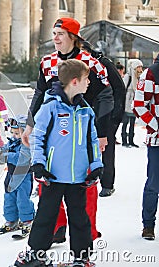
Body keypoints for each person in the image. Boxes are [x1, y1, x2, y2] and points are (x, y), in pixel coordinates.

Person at [21, 17, 113, 243]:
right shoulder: (47, 62)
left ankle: (86, 233)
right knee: (50, 182)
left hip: (82, 130)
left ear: (73, 37)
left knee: (84, 185)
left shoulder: (89, 62)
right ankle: (56, 228)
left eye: (60, 34)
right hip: (55, 132)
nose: (55, 38)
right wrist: (30, 125)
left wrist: (101, 132)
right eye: (54, 34)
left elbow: (106, 96)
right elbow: (40, 95)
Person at [13, 59, 103, 267]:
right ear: (74, 81)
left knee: (80, 218)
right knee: (46, 216)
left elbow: (92, 140)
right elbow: (38, 137)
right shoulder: (50, 106)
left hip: (78, 176)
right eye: (86, 79)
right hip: (52, 175)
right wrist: (39, 164)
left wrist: (96, 165)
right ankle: (35, 254)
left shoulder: (85, 110)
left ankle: (81, 257)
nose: (88, 82)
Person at [81, 41, 127, 198]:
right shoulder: (75, 66)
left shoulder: (103, 63)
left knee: (106, 147)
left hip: (106, 113)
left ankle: (107, 183)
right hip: (86, 113)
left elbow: (119, 88)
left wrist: (115, 113)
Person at [132, 53, 159, 240]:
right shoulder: (151, 73)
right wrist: (156, 126)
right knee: (154, 184)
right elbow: (139, 105)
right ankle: (148, 225)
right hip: (157, 140)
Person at [0, 115, 34, 235]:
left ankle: (27, 220)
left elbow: (22, 158)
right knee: (9, 198)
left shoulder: (27, 144)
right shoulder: (12, 142)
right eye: (12, 133)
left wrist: (7, 156)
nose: (14, 136)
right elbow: (5, 150)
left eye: (17, 133)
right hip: (11, 176)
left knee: (22, 199)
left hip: (23, 176)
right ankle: (11, 220)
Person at [122, 59, 143, 148]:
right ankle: (124, 140)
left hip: (134, 100)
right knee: (125, 122)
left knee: (132, 122)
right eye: (139, 67)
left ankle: (131, 140)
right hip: (128, 100)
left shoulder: (139, 76)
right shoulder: (128, 76)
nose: (140, 69)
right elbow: (123, 87)